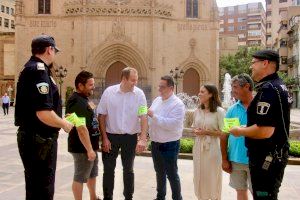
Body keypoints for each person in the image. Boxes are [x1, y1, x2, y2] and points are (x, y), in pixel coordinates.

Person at [15, 35, 73, 200]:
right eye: (54, 51)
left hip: (35, 139)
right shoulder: (39, 71)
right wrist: (64, 124)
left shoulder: (33, 69)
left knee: (36, 189)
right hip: (39, 140)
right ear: (49, 49)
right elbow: (43, 112)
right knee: (43, 190)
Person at [230, 50, 291, 200]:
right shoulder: (279, 86)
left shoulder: (269, 89)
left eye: (253, 63)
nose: (251, 67)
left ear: (265, 63)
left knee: (264, 196)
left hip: (266, 159)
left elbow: (265, 130)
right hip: (273, 156)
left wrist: (240, 131)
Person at [97, 67, 148, 200]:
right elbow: (101, 115)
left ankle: (128, 197)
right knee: (108, 170)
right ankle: (108, 197)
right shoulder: (109, 92)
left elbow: (143, 116)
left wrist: (142, 138)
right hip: (111, 137)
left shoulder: (140, 94)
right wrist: (105, 138)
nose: (135, 83)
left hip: (130, 138)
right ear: (124, 79)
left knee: (128, 170)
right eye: (132, 80)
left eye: (136, 80)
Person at [147, 75, 185, 200]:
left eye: (162, 87)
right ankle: (160, 197)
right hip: (156, 143)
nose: (159, 89)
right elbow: (149, 119)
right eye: (159, 86)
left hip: (170, 144)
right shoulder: (157, 100)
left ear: (171, 88)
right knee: (159, 172)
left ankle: (177, 198)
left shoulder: (177, 104)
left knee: (172, 174)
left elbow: (172, 124)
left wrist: (154, 116)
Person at [66, 71, 101, 200]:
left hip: (90, 146)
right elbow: (81, 128)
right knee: (80, 176)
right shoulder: (76, 102)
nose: (93, 87)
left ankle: (93, 197)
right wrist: (89, 149)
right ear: (80, 86)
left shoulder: (83, 99)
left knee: (92, 174)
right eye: (90, 84)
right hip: (82, 148)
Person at [221, 73, 254, 200]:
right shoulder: (232, 110)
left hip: (255, 160)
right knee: (240, 192)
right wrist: (224, 159)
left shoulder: (259, 107)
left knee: (258, 193)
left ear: (246, 87)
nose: (232, 91)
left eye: (235, 87)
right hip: (236, 159)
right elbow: (224, 136)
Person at [192, 84, 226, 200]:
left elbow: (224, 133)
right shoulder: (197, 111)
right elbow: (194, 128)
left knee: (212, 177)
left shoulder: (219, 112)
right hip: (198, 148)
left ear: (211, 94)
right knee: (199, 176)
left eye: (202, 92)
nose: (199, 94)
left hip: (213, 150)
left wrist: (206, 132)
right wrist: (196, 131)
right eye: (199, 91)